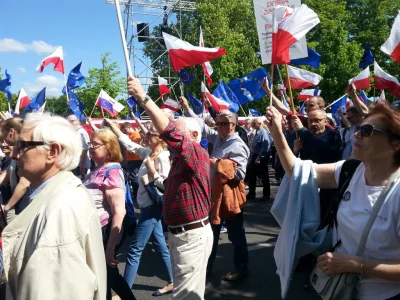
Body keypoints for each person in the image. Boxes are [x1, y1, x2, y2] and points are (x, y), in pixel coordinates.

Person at [265, 103, 400, 300]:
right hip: (340, 289)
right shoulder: (352, 169)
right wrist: (276, 131)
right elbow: (297, 171)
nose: (357, 134)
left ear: (395, 144)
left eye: (368, 130)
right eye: (360, 128)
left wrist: (358, 265)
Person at [2, 113, 106, 300]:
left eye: (22, 145)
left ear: (52, 152)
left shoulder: (60, 211)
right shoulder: (59, 196)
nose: (15, 154)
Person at [127, 76, 213, 300]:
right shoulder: (180, 161)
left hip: (191, 235)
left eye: (179, 134)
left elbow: (169, 132)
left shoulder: (197, 152)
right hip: (180, 234)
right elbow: (171, 187)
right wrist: (155, 177)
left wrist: (143, 97)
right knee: (186, 294)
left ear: (194, 136)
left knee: (186, 296)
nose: (173, 140)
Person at [180, 98, 250, 281]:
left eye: (224, 123)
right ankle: (207, 269)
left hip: (229, 198)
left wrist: (215, 163)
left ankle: (241, 269)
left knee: (236, 236)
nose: (219, 127)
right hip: (215, 197)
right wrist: (187, 108)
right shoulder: (220, 138)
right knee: (210, 236)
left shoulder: (238, 145)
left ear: (233, 125)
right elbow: (202, 127)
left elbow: (240, 174)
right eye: (218, 124)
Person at [105, 119, 173, 297]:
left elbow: (167, 186)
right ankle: (173, 280)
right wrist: (113, 127)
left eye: (151, 133)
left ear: (161, 138)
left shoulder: (163, 158)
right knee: (159, 244)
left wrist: (152, 172)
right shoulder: (150, 153)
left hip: (152, 207)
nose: (147, 135)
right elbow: (131, 145)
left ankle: (123, 292)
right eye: (148, 132)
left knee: (134, 249)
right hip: (147, 206)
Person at [83, 128, 136, 300]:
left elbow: (119, 212)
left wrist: (110, 248)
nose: (91, 147)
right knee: (104, 278)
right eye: (90, 143)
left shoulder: (111, 171)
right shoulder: (98, 168)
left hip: (104, 232)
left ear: (109, 147)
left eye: (95, 144)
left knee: (109, 276)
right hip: (95, 231)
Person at [247, 117, 272, 201]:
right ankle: (251, 193)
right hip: (255, 155)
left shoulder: (263, 133)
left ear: (259, 124)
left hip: (261, 156)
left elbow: (266, 146)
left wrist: (259, 157)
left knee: (264, 175)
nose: (253, 125)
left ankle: (266, 194)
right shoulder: (257, 132)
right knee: (252, 174)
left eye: (254, 123)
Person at [120, 122, 143, 202]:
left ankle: (137, 194)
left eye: (125, 129)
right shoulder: (129, 135)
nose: (124, 131)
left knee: (134, 178)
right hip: (131, 159)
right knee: (132, 177)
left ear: (129, 127)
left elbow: (135, 146)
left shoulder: (135, 134)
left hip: (135, 159)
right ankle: (136, 194)